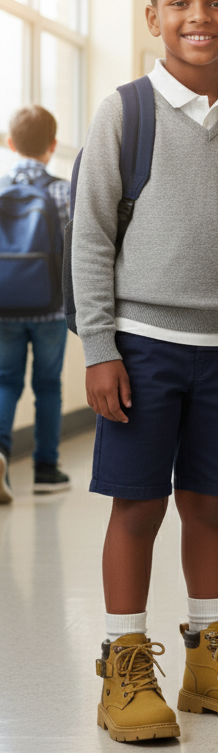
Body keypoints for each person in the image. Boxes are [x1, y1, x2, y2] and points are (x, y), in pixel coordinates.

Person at [73, 0, 218, 742]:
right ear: (153, 15)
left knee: (210, 505)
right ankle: (123, 660)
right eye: (180, 2)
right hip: (141, 347)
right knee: (138, 506)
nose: (199, 15)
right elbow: (91, 235)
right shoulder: (124, 111)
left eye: (216, 2)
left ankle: (209, 657)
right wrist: (98, 346)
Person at [0, 106, 70, 502]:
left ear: (11, 144)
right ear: (53, 145)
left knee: (4, 381)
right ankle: (46, 468)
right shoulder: (62, 191)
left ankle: (0, 454)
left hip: (3, 306)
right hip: (50, 307)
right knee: (48, 385)